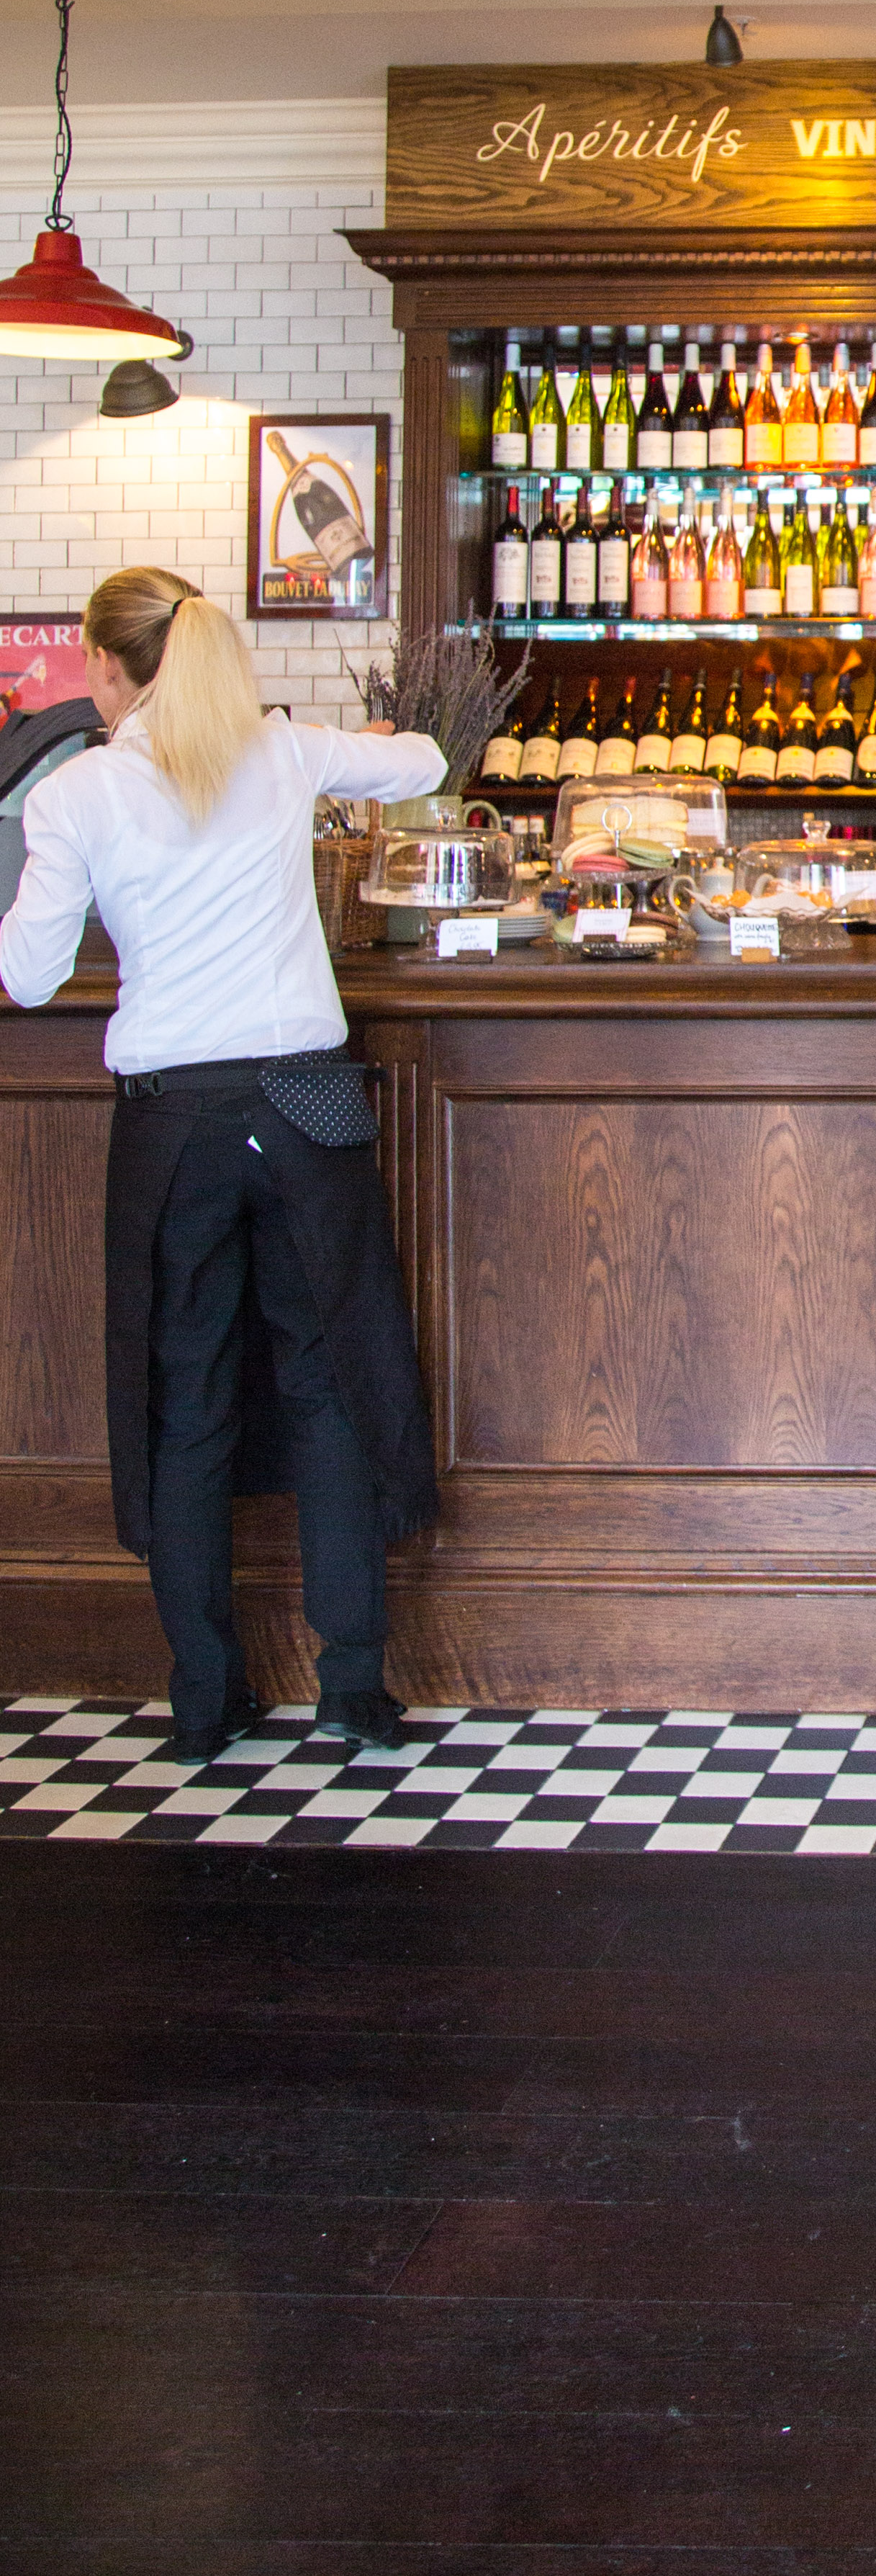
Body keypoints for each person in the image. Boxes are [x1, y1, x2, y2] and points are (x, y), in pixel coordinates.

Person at [0, 570, 448, 1762]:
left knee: (186, 1401)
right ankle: (353, 1688)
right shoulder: (282, 749)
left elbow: (29, 977)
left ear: (105, 667)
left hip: (175, 1122)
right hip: (304, 1101)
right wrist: (382, 737)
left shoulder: (77, 794)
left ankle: (206, 1700)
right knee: (328, 1384)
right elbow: (425, 764)